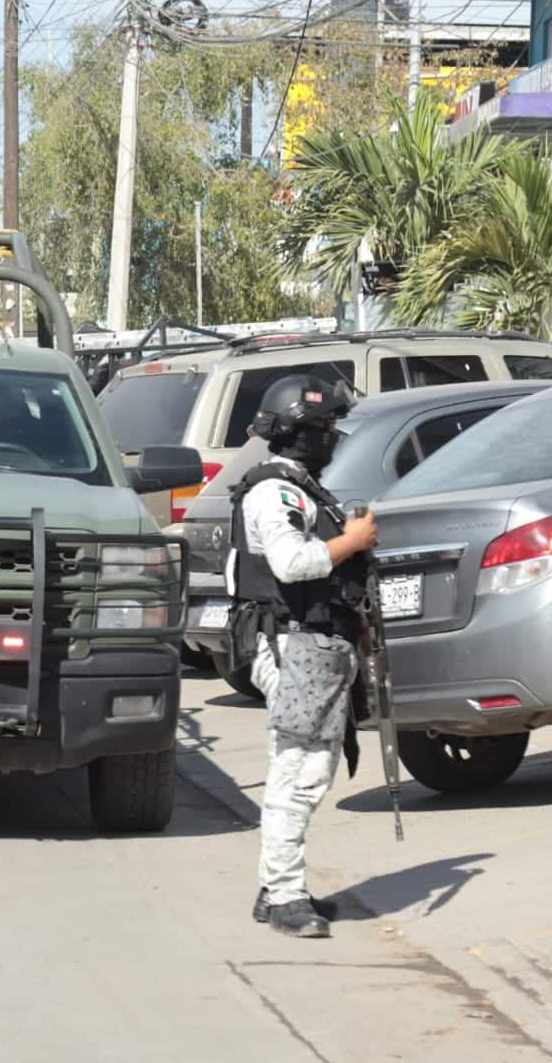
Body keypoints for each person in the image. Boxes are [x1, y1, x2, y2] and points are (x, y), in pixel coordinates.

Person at [226, 374, 379, 939]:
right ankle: (286, 897)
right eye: (324, 428)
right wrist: (354, 541)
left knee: (303, 768)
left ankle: (277, 887)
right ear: (298, 430)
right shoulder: (278, 492)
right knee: (298, 771)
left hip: (310, 645)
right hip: (295, 644)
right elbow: (293, 563)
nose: (332, 437)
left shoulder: (299, 487)